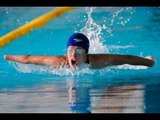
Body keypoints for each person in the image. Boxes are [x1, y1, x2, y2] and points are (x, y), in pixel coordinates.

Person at [4, 33, 155, 69]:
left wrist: (149, 62)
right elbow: (29, 58)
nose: (73, 54)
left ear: (87, 53)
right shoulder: (60, 62)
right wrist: (7, 56)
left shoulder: (98, 62)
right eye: (70, 50)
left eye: (79, 51)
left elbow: (126, 58)